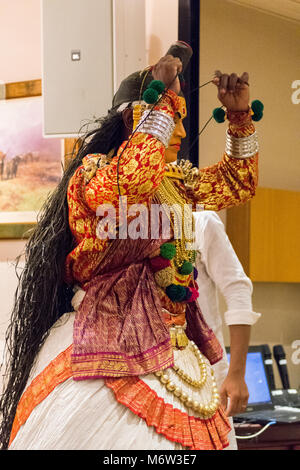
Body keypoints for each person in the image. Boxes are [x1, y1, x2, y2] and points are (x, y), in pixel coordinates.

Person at [0, 41, 260, 450]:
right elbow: (132, 183)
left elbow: (237, 183)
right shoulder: (93, 176)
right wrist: (160, 103)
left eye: (178, 117)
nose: (178, 130)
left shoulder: (173, 184)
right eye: (170, 116)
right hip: (105, 342)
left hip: (174, 345)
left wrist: (239, 117)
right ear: (130, 119)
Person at [193, 210, 261, 450]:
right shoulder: (128, 230)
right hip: (150, 373)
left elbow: (238, 291)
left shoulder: (201, 223)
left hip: (206, 375)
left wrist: (236, 374)